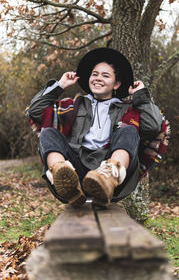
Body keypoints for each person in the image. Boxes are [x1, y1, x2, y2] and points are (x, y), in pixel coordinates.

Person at [26, 48, 162, 207]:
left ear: (116, 84)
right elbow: (35, 111)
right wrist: (60, 85)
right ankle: (62, 176)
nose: (98, 79)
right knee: (48, 132)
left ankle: (107, 179)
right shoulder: (73, 105)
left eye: (105, 76)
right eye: (95, 74)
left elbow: (153, 126)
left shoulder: (127, 110)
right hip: (76, 167)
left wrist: (141, 96)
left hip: (108, 165)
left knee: (129, 130)